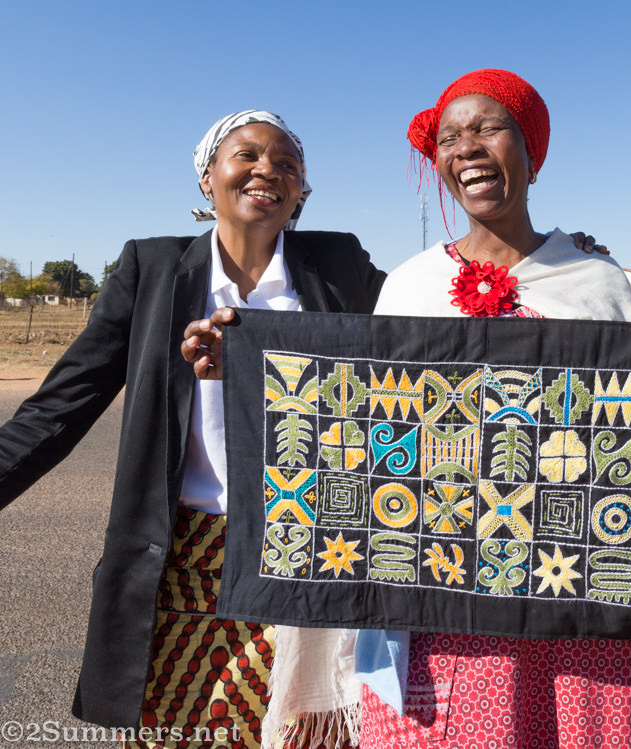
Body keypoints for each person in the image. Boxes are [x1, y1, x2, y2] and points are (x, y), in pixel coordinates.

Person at [250, 69, 631, 749]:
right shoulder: (410, 285)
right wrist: (240, 361)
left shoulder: (596, 282)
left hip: (580, 607)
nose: (468, 148)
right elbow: (361, 436)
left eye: (488, 127)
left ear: (531, 152)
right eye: (451, 137)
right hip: (443, 610)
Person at [0, 111, 385, 748]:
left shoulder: (339, 267)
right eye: (249, 155)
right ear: (208, 178)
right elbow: (57, 410)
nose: (269, 170)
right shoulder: (152, 271)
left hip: (309, 559)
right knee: (176, 731)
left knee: (302, 732)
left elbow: (429, 343)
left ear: (301, 193)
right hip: (183, 561)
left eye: (288, 164)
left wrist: (543, 271)